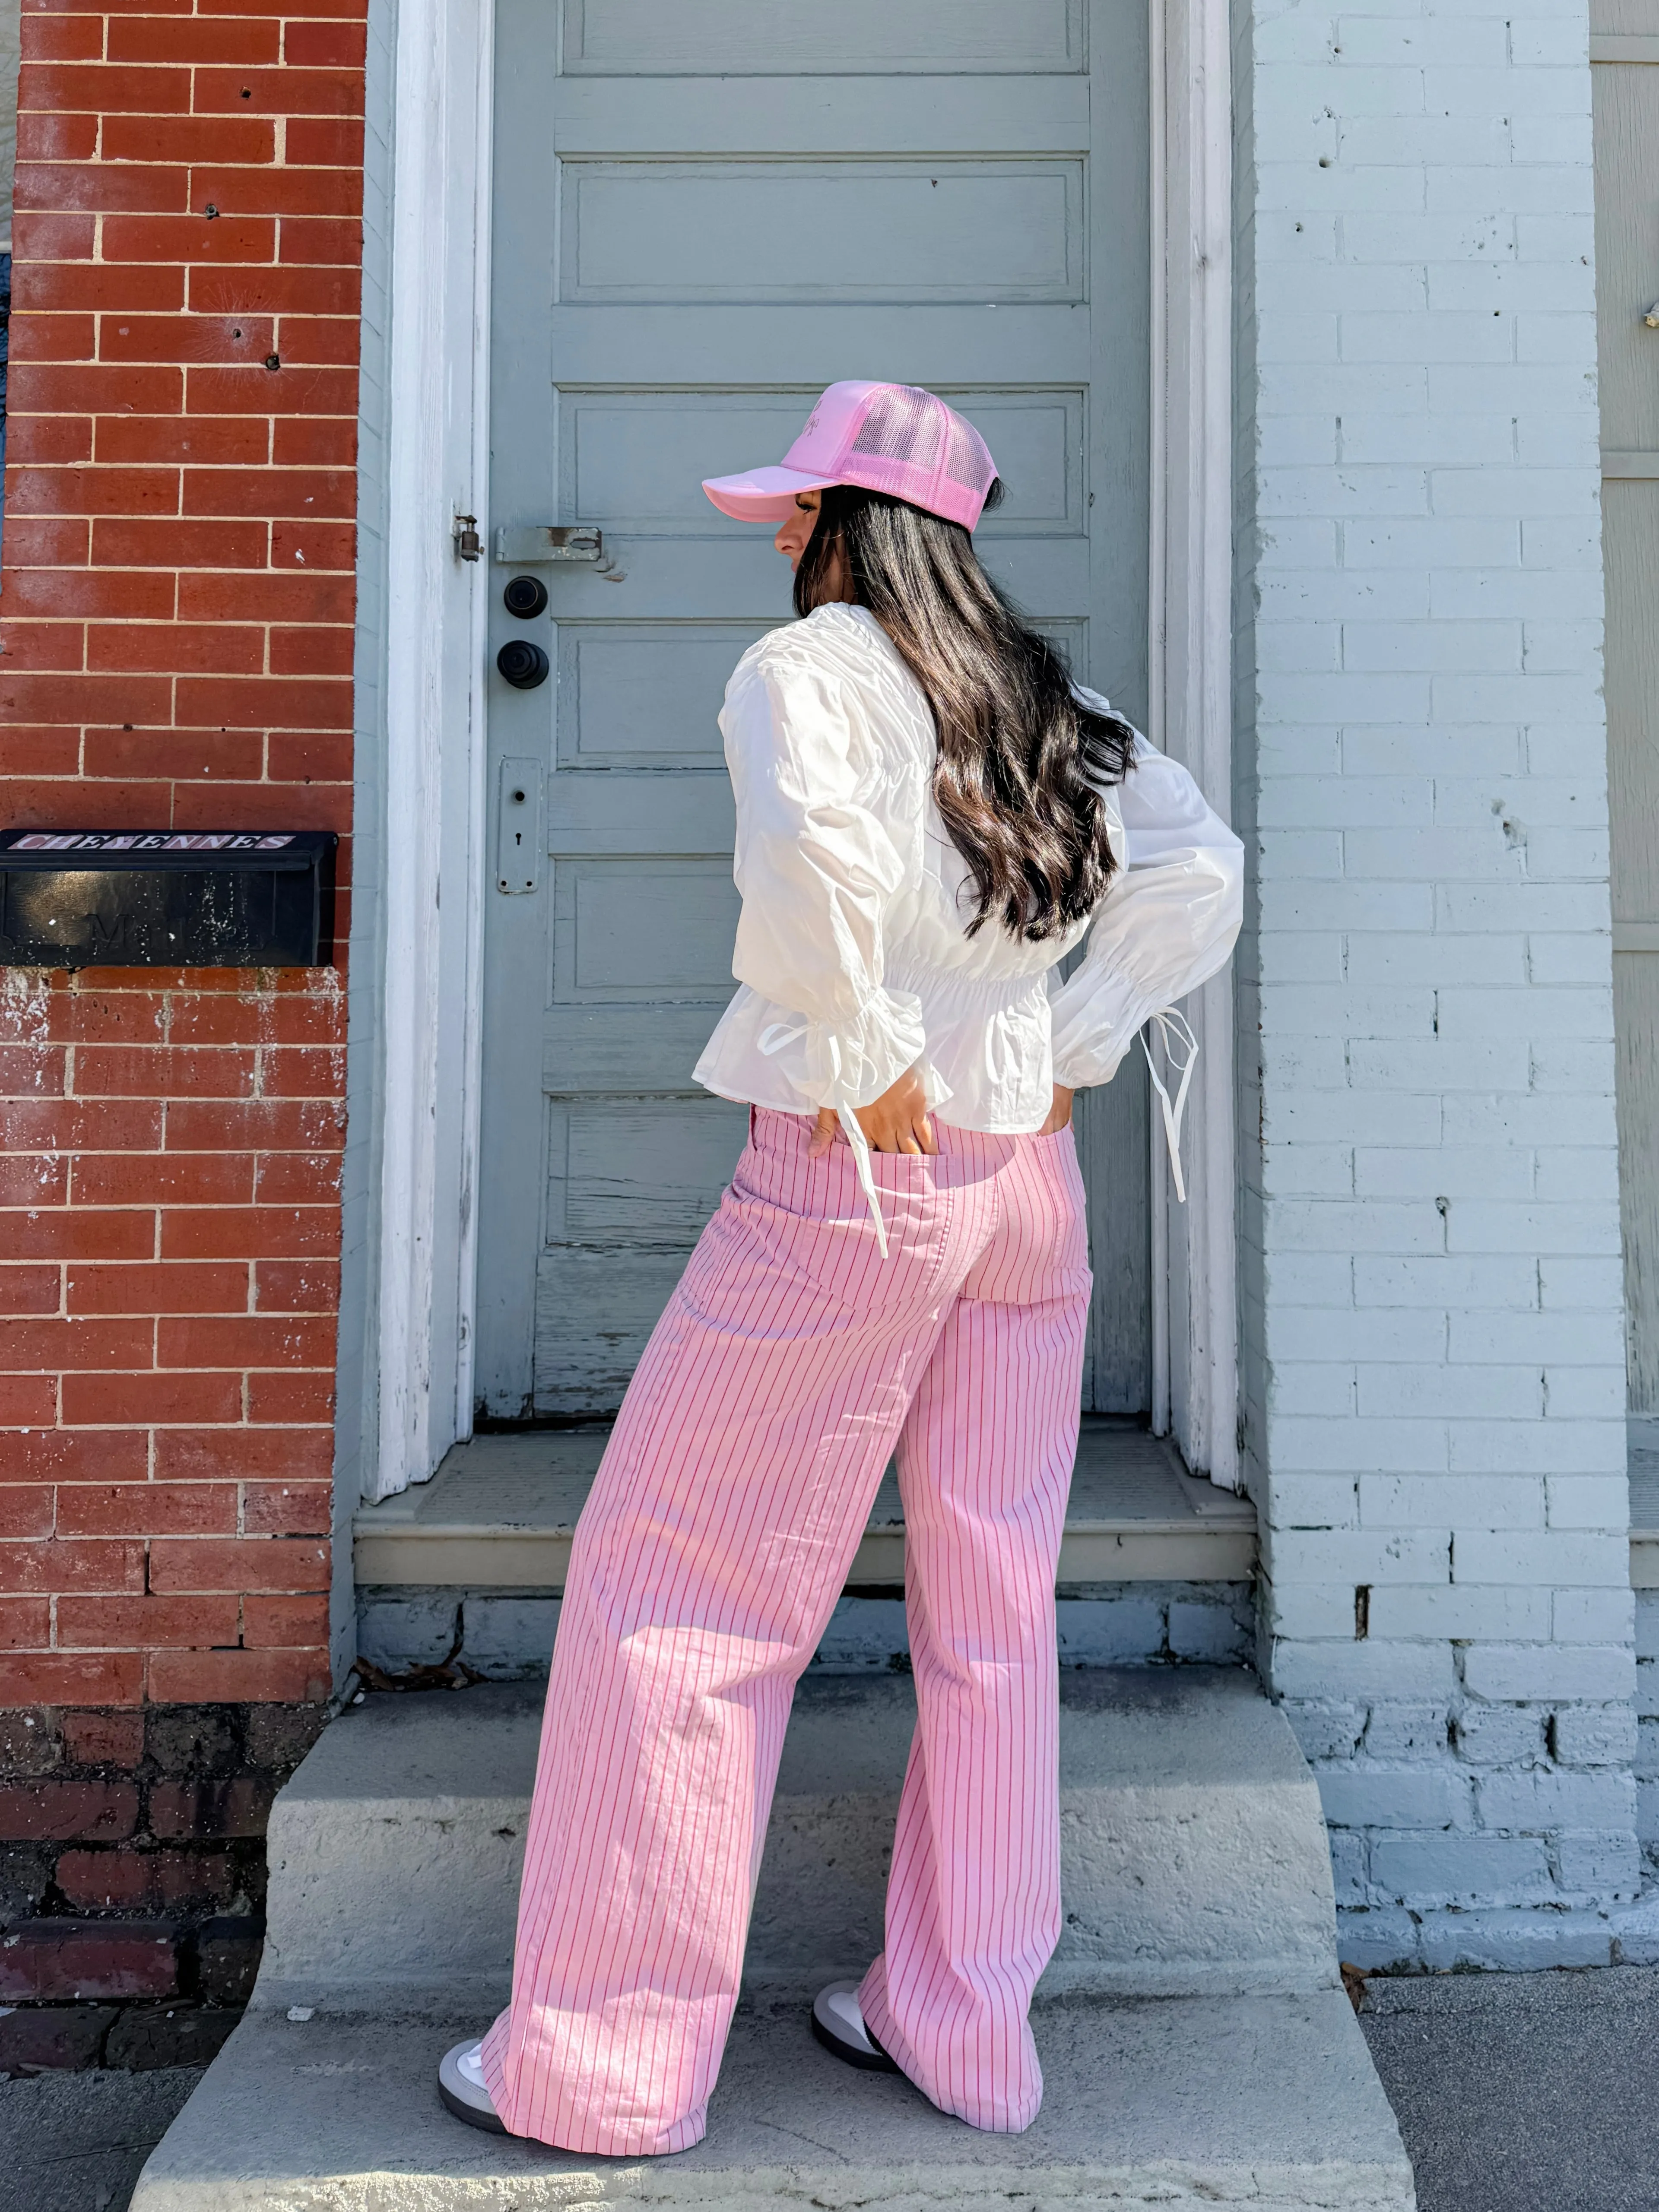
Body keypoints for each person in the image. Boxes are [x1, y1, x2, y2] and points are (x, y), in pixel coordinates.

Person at [437, 381, 1243, 2152]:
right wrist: (1072, 1036)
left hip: (856, 1175)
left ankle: (605, 2066)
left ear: (829, 527)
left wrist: (878, 1054)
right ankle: (965, 2029)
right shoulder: (1048, 696)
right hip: (1024, 1185)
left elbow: (811, 864)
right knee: (992, 1603)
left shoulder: (804, 673)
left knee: (683, 1591)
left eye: (795, 511)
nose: (784, 539)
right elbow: (1200, 865)